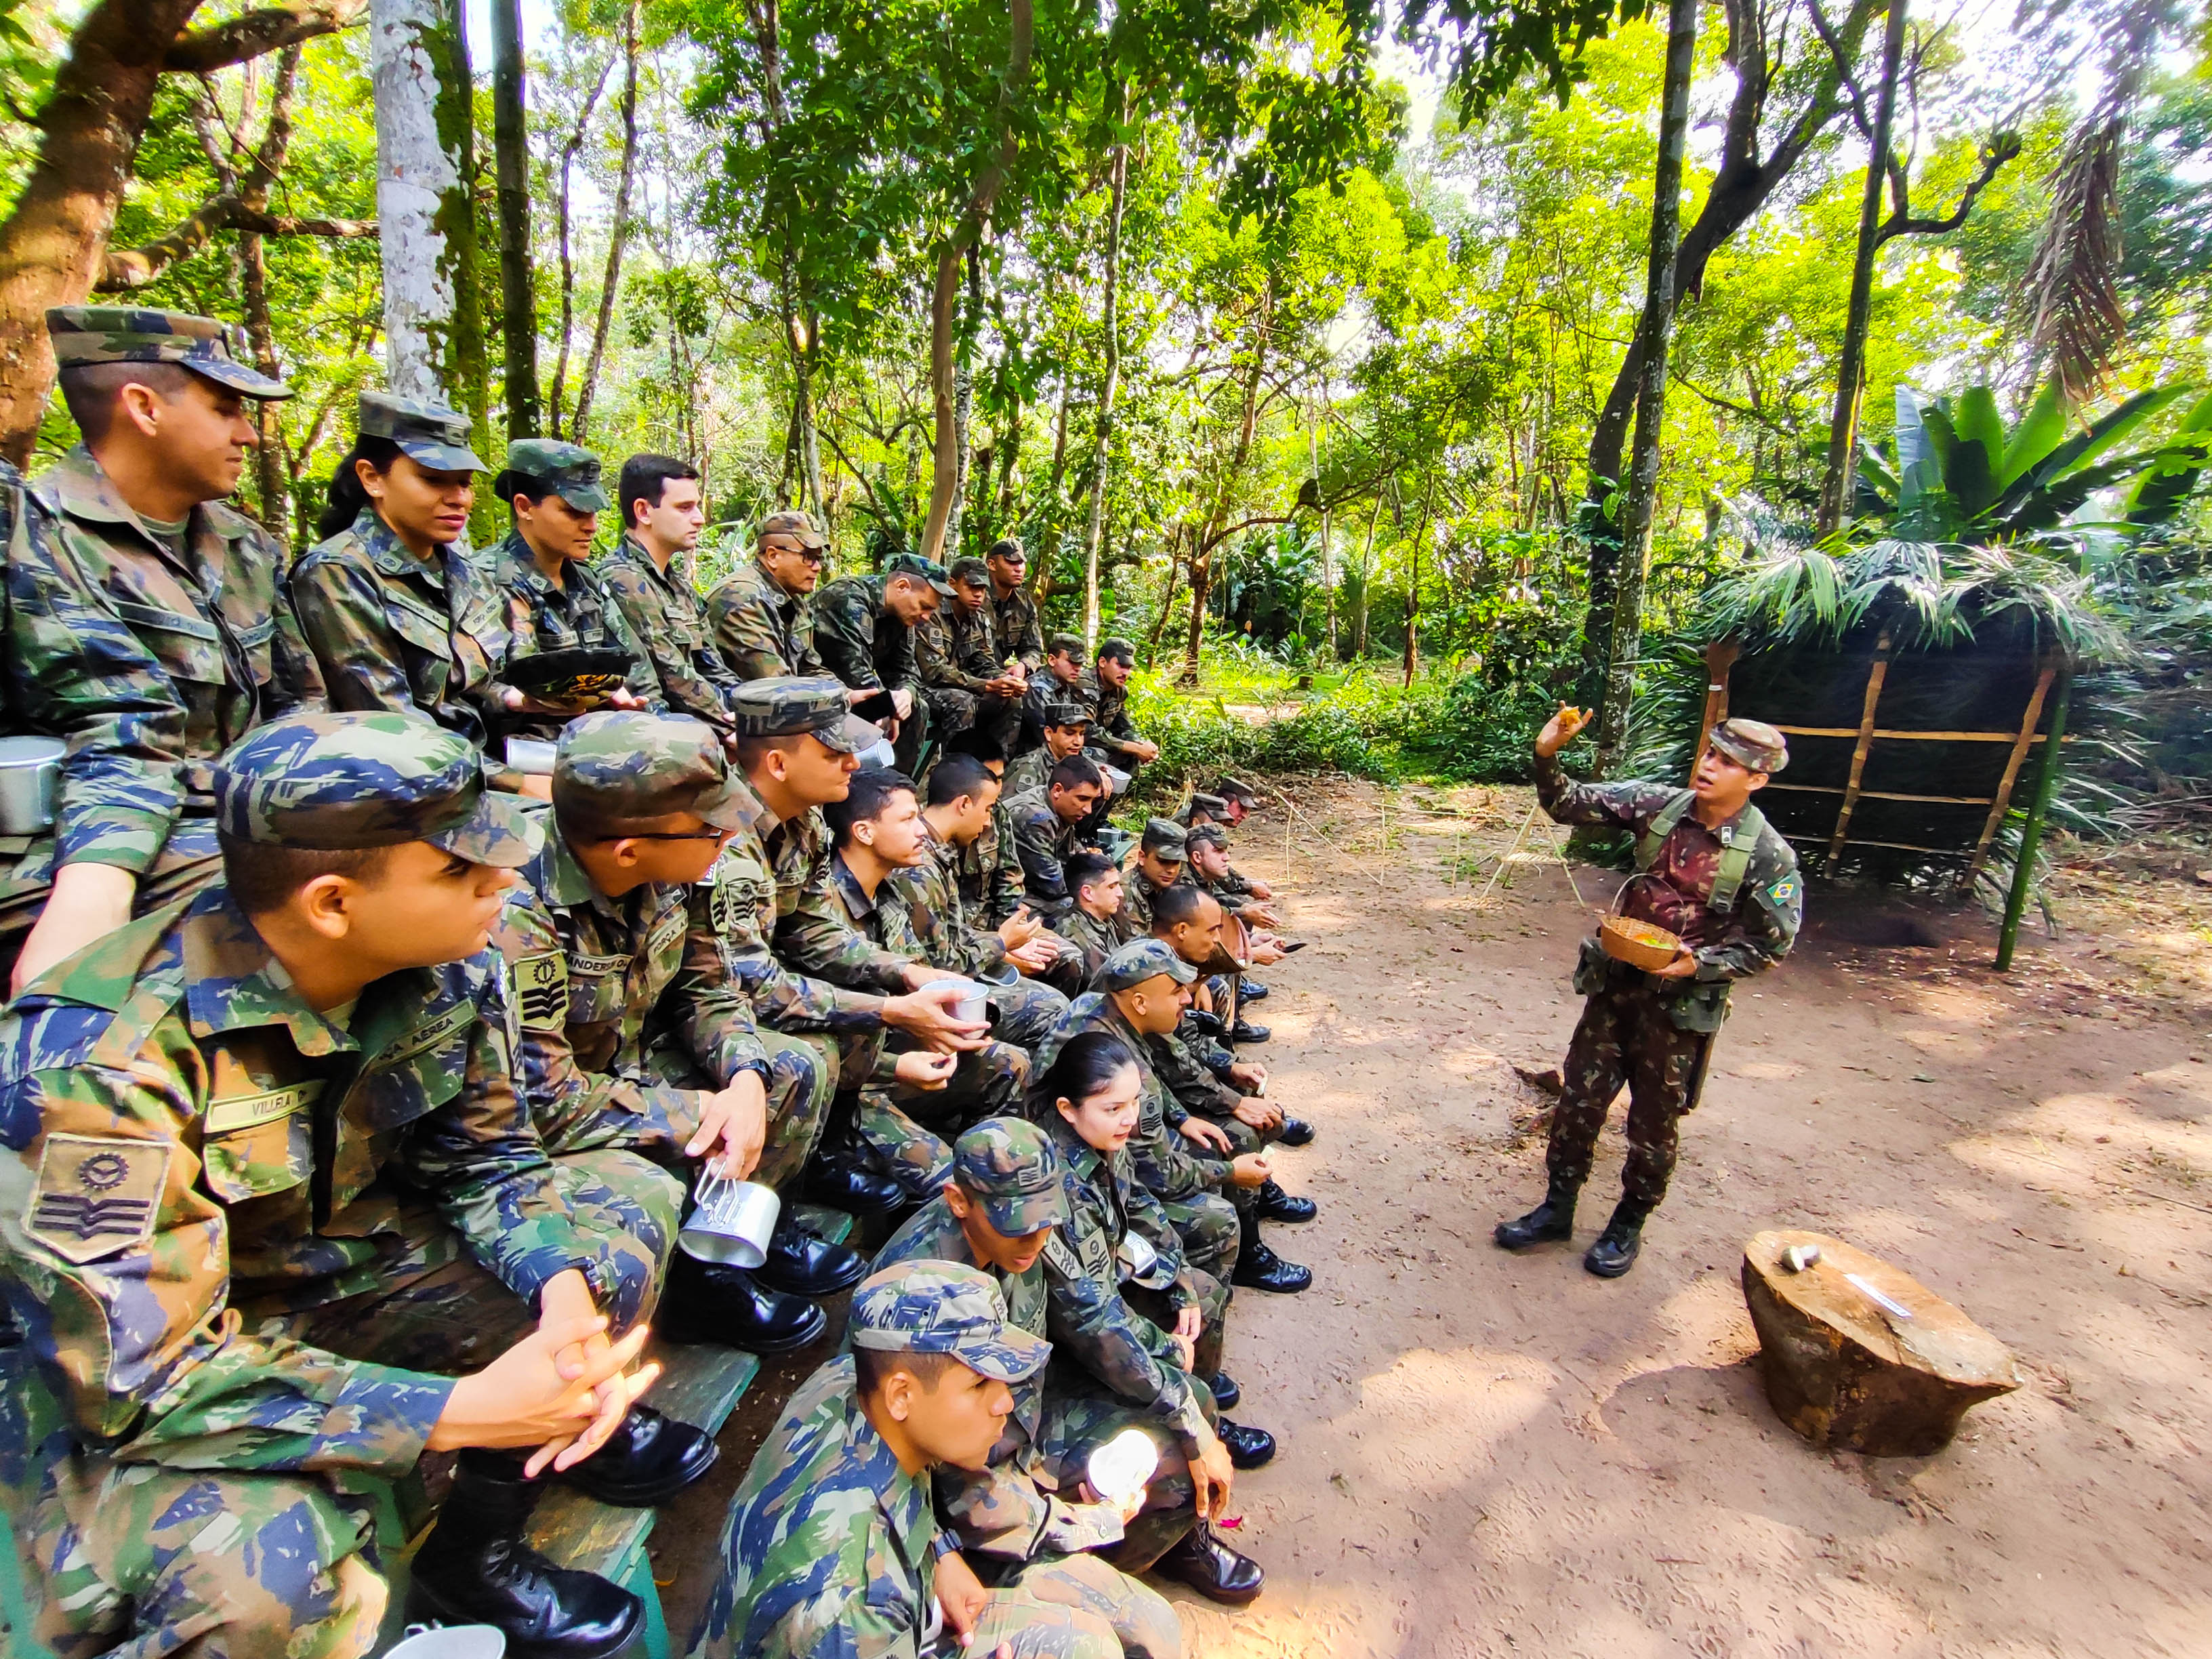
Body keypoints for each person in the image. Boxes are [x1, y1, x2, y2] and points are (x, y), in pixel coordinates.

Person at [0, 711, 716, 1659]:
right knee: (270, 1579)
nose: (505, 884)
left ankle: (471, 1555)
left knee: (603, 1251)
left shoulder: (454, 961)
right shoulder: (99, 1062)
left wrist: (558, 1290)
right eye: (462, 870)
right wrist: (458, 1412)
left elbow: (488, 1161)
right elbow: (140, 1382)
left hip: (335, 1266)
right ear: (332, 902)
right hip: (149, 1357)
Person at [487, 709, 859, 1353]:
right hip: (553, 1104)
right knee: (658, 1171)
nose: (731, 834)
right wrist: (697, 1111)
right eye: (711, 826)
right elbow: (540, 1098)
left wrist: (743, 1075)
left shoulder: (680, 865)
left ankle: (722, 1256)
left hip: (631, 1057)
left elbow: (704, 984)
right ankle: (683, 1294)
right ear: (629, 849)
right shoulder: (516, 910)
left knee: (785, 1070)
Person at [3, 306, 324, 994]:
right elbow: (120, 724)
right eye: (224, 409)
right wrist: (96, 885)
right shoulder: (33, 536)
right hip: (81, 840)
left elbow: (302, 701)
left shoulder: (245, 545)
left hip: (240, 814)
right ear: (144, 407)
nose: (248, 434)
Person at [687, 1260, 1185, 1659]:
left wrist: (941, 1552)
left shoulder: (850, 1382)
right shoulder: (845, 1608)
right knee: (1086, 1647)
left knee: (1150, 1624)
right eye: (978, 1384)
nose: (1004, 1402)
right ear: (902, 1395)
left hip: (905, 1599)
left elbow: (902, 1490)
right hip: (867, 1631)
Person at [873, 1119, 1263, 1603]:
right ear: (958, 1202)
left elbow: (1091, 1314)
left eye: (1045, 1221)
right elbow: (919, 1469)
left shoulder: (1029, 1222)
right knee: (1170, 1473)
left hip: (1029, 1417)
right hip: (968, 1481)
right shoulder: (914, 1296)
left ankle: (1169, 1545)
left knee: (1191, 1405)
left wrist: (1186, 1411)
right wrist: (1084, 1524)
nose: (1035, 1241)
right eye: (1018, 1227)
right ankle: (1063, 1585)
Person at [1496, 710, 1802, 1277]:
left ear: (1757, 780)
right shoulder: (1658, 805)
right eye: (1711, 754)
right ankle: (1556, 1209)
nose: (1710, 767)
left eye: (1729, 763)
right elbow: (1569, 804)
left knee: (1653, 1126)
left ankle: (1627, 1224)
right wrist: (1546, 754)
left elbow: (1771, 944)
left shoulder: (1767, 856)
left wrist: (1700, 964)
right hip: (1614, 992)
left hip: (1678, 1015)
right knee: (1578, 1106)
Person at [705, 675, 991, 1215]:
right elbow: (747, 981)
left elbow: (814, 929)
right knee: (813, 1052)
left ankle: (826, 1155)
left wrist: (904, 974)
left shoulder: (804, 823)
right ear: (778, 765)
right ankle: (746, 1225)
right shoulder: (729, 844)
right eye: (835, 751)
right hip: (705, 1012)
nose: (853, 764)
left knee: (860, 1012)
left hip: (742, 995)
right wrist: (890, 1009)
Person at [1028, 1030, 1273, 1500]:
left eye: (1134, 1103)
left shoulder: (1101, 1141)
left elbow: (1138, 1201)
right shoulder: (1058, 1188)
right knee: (1172, 1386)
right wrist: (1164, 1347)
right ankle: (1197, 1422)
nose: (1128, 1120)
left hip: (1104, 1291)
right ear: (1067, 1109)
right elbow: (1091, 1319)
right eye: (1112, 1109)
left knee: (1202, 1295)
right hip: (1068, 1336)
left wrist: (1177, 1275)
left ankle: (1204, 1404)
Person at [1038, 940, 1308, 1298]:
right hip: (1087, 1184)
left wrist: (1181, 1118)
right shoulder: (1119, 1072)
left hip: (1098, 1149)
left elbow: (1158, 1067)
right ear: (1140, 1002)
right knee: (1222, 1200)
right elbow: (1159, 1175)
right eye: (1177, 990)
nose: (1186, 998)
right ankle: (1225, 1275)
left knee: (1225, 1132)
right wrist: (1231, 1172)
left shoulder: (1103, 1008)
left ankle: (1253, 1207)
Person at [291, 392, 533, 791]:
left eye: (465, 483)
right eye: (434, 480)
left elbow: (478, 689)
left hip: (484, 765)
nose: (459, 499)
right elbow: (389, 723)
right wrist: (520, 784)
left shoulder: (467, 578)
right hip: (405, 788)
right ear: (372, 478)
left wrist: (522, 700)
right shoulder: (338, 573)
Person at [820, 766, 1031, 1201]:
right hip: (847, 1093)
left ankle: (988, 1161)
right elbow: (821, 1036)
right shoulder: (822, 916)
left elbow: (925, 975)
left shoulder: (888, 896)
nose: (922, 831)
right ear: (863, 832)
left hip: (893, 1058)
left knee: (1010, 1064)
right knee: (954, 1190)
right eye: (907, 819)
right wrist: (897, 1065)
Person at [1145, 882, 1315, 1223]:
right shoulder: (1150, 975)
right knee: (1239, 1130)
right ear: (1181, 931)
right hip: (1141, 1122)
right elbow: (1169, 1061)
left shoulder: (1171, 963)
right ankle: (1248, 1242)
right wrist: (1231, 1102)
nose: (1215, 939)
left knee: (1240, 1078)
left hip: (1161, 1091)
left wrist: (1230, 1067)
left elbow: (1184, 1040)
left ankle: (1261, 1186)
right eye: (1212, 931)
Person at [483, 438, 658, 749]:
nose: (590, 526)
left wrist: (657, 722)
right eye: (574, 512)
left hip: (601, 743)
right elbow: (476, 689)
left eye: (593, 513)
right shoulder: (485, 581)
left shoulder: (586, 582)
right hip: (527, 753)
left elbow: (637, 668)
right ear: (524, 507)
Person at [909, 751, 1083, 997]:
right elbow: (941, 962)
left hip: (980, 938)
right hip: (949, 978)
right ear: (965, 804)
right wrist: (1001, 947)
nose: (989, 821)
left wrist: (1009, 936)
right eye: (988, 809)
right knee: (1050, 1006)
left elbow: (1008, 881)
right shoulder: (921, 867)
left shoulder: (938, 856)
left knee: (1067, 958)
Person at [599, 453, 747, 739]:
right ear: (643, 511)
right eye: (685, 508)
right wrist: (731, 724)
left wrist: (754, 713)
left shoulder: (679, 587)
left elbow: (713, 668)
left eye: (697, 507)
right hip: (663, 735)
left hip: (705, 727)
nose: (700, 519)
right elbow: (671, 674)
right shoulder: (623, 580)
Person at [812, 552, 954, 773]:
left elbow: (907, 672)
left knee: (917, 708)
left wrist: (905, 695)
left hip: (856, 694)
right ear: (902, 586)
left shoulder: (903, 618)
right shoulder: (848, 598)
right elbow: (855, 673)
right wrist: (889, 704)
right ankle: (861, 795)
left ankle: (895, 789)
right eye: (924, 606)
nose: (926, 617)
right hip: (822, 692)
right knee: (878, 711)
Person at [916, 556, 1027, 755]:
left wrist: (1005, 680)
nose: (978, 595)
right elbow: (934, 672)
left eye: (982, 589)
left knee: (1011, 699)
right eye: (971, 587)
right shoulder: (932, 613)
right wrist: (984, 685)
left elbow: (983, 660)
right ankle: (957, 771)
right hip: (923, 687)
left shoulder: (978, 618)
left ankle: (995, 766)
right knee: (963, 702)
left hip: (960, 686)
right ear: (952, 584)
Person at [704, 508, 828, 680]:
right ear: (772, 556)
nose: (817, 567)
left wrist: (846, 694)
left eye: (819, 558)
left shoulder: (794, 602)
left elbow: (809, 669)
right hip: (738, 704)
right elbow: (774, 685)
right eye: (808, 556)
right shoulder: (742, 597)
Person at [1005, 754, 1107, 917]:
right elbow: (1053, 885)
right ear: (1058, 790)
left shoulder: (1057, 806)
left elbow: (1069, 853)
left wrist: (1086, 859)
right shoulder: (1035, 817)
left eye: (1092, 801)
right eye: (1083, 799)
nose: (1088, 809)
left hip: (1028, 883)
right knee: (1078, 906)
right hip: (1002, 896)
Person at [1051, 852, 1138, 981]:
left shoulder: (1103, 919)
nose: (1120, 893)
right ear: (1087, 893)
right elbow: (1108, 984)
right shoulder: (1074, 935)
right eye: (1111, 887)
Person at [1077, 639, 1158, 773]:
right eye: (1121, 665)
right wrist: (1135, 748)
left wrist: (1141, 745)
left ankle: (1111, 794)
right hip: (1071, 746)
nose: (1126, 673)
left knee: (1131, 754)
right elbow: (1089, 733)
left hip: (1096, 743)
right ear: (1103, 663)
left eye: (1129, 668)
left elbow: (1124, 728)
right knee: (1099, 754)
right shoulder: (1084, 685)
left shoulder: (1120, 691)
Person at [985, 537, 1045, 681]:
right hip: (972, 673)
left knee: (1050, 678)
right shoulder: (976, 596)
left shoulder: (1024, 602)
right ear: (992, 565)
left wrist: (1023, 666)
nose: (1018, 569)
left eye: (1021, 563)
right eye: (1011, 562)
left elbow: (1034, 648)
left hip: (1002, 672)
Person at [1005, 701, 1092, 799]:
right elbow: (1012, 809)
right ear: (1049, 734)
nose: (1078, 742)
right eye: (1069, 733)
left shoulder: (1075, 759)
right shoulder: (1030, 767)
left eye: (1081, 734)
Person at [1022, 632, 1088, 752]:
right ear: (1052, 660)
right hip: (1035, 757)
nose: (1077, 668)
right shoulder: (1037, 688)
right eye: (1072, 662)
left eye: (1080, 664)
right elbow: (1048, 740)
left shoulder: (1063, 687)